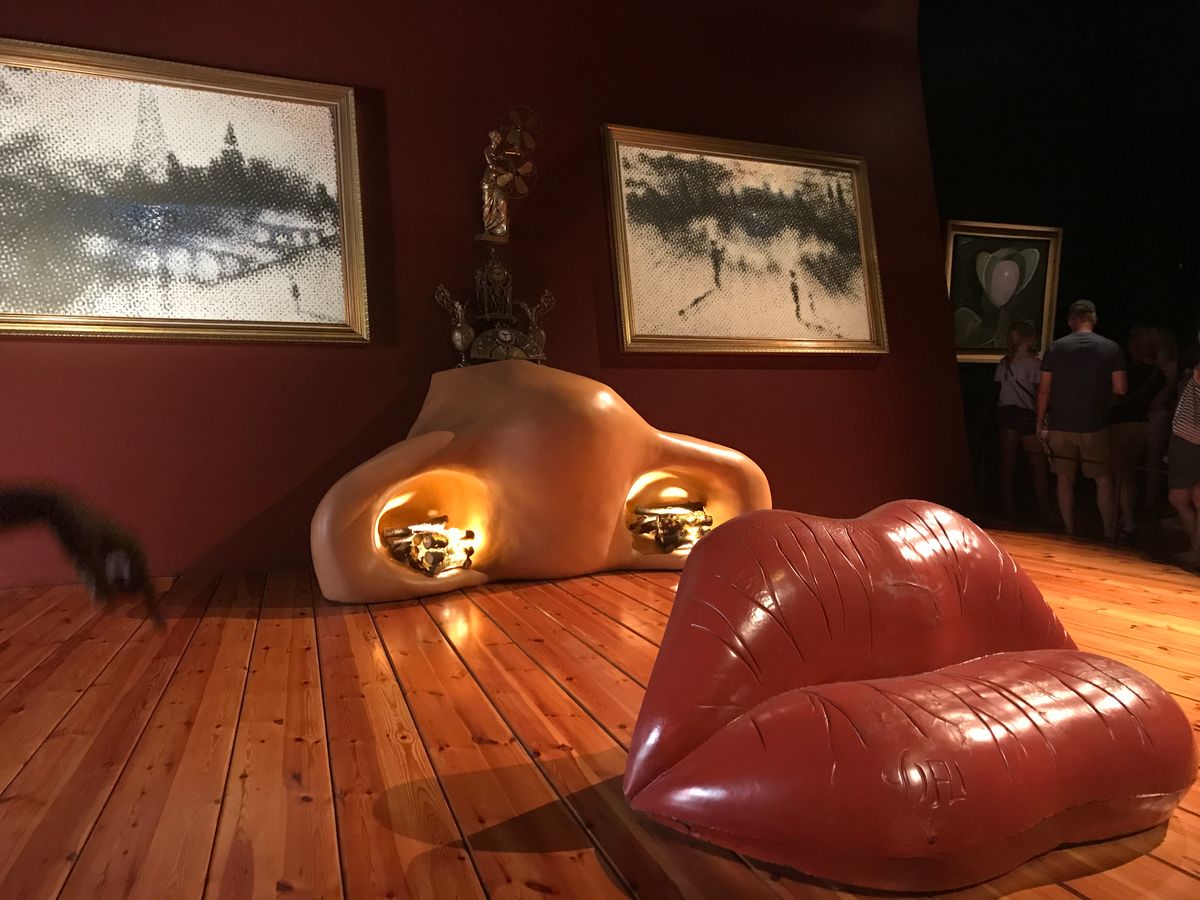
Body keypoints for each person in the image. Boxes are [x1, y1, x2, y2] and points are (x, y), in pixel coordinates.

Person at [1036, 300, 1128, 539]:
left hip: (1060, 424)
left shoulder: (1055, 348)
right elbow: (1120, 388)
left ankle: (1069, 530)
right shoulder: (1111, 348)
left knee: (1064, 479)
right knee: (1103, 480)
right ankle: (1108, 532)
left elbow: (1044, 390)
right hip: (1095, 425)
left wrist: (1040, 423)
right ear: (1094, 319)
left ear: (1070, 321)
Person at [1109, 326, 1169, 539]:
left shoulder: (1128, 369)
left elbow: (1118, 394)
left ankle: (1127, 520)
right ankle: (1129, 515)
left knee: (1120, 475)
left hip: (1122, 423)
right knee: (1130, 474)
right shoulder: (1159, 372)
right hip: (1143, 424)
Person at [994, 322, 1051, 522]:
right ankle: (1044, 511)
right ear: (1030, 339)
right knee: (1038, 465)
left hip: (1005, 413)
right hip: (1025, 414)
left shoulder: (1004, 363)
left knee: (1007, 463)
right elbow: (1040, 393)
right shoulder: (1036, 364)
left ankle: (1008, 508)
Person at [1167, 348, 1200, 566]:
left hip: (1189, 437)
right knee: (1194, 496)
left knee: (1181, 496)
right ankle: (1196, 550)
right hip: (1189, 436)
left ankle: (1196, 552)